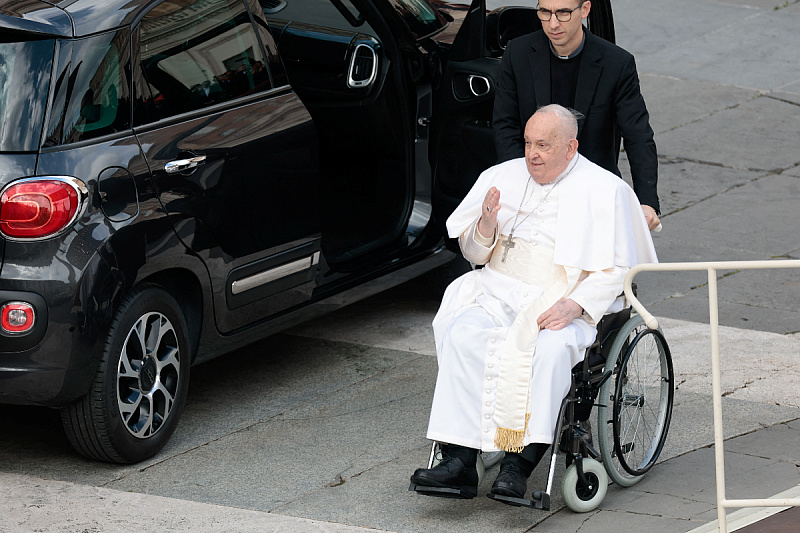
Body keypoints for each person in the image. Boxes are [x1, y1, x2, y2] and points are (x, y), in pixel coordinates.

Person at [409, 105, 656, 502]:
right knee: (462, 334)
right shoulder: (500, 177)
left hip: (559, 297)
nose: (532, 154)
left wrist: (576, 304)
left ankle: (517, 466)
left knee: (551, 350)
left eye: (543, 145)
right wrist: (486, 225)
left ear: (571, 147)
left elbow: (619, 268)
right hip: (497, 289)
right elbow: (475, 254)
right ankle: (458, 460)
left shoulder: (606, 189)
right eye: (528, 143)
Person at [493, 0, 662, 230]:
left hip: (594, 193)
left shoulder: (617, 64)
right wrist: (522, 182)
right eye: (545, 12)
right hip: (532, 187)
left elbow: (637, 135)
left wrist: (647, 202)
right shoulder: (518, 53)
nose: (553, 23)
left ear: (584, 10)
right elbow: (505, 125)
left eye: (563, 13)